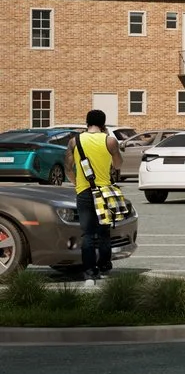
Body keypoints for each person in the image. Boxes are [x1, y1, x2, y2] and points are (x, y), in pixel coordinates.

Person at [71, 110, 119, 282]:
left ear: (86, 122)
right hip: (104, 192)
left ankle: (90, 271)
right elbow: (118, 163)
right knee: (105, 230)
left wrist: (76, 183)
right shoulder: (110, 141)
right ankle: (105, 265)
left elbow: (68, 166)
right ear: (104, 123)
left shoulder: (74, 141)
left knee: (88, 233)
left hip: (84, 191)